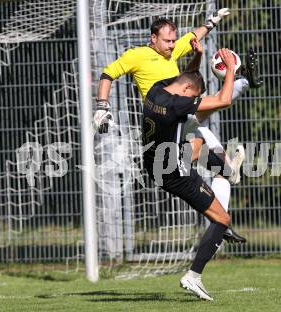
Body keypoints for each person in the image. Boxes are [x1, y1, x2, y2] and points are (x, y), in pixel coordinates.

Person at [94, 11, 253, 243]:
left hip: (178, 114)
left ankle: (221, 212)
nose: (171, 45)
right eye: (167, 40)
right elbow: (108, 73)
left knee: (202, 137)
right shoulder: (137, 55)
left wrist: (209, 24)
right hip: (162, 121)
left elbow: (193, 40)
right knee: (211, 118)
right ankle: (243, 83)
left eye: (173, 41)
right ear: (153, 39)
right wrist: (102, 105)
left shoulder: (172, 49)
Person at [142, 49, 239, 301]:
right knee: (222, 219)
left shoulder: (156, 90)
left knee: (198, 143)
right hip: (176, 172)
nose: (194, 102)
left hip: (156, 161)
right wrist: (230, 70)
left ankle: (226, 172)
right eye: (195, 98)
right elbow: (224, 99)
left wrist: (196, 58)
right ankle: (194, 275)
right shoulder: (176, 105)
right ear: (187, 93)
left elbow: (186, 76)